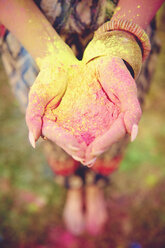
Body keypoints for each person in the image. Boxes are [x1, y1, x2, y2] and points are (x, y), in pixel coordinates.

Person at [0, 0, 163, 235]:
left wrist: (119, 41)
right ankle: (74, 187)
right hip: (34, 34)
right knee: (53, 127)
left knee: (115, 120)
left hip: (123, 20)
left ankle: (95, 186)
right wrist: (50, 56)